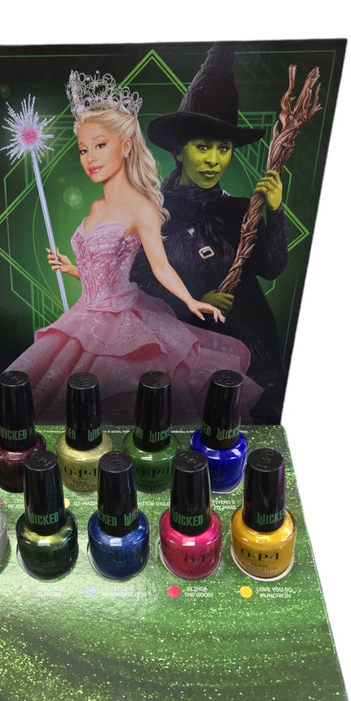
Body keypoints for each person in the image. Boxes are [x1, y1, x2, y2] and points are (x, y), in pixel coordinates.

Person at [0, 70, 261, 426]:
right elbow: (102, 277)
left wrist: (189, 300)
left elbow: (160, 266)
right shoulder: (94, 209)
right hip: (81, 317)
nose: (90, 157)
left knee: (117, 400)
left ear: (125, 145)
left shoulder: (141, 208)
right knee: (39, 397)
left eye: (100, 145)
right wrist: (72, 269)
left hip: (123, 321)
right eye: (83, 149)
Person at [129, 43, 289, 422]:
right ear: (179, 151)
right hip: (185, 360)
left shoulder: (241, 209)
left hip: (254, 356)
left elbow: (271, 268)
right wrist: (194, 303)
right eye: (202, 147)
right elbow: (138, 282)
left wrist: (275, 211)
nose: (214, 160)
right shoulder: (155, 213)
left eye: (224, 148)